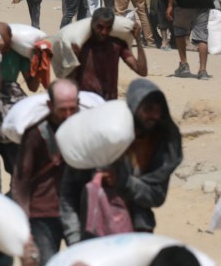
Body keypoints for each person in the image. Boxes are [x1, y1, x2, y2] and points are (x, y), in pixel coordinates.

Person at [60, 79, 182, 245]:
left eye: (157, 110)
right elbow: (69, 192)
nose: (154, 116)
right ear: (133, 108)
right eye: (147, 109)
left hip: (138, 233)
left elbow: (156, 196)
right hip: (95, 235)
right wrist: (74, 239)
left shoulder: (159, 146)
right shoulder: (105, 138)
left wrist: (123, 181)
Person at [12, 79, 80, 265]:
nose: (68, 115)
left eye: (72, 109)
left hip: (75, 210)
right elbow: (21, 181)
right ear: (50, 105)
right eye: (62, 110)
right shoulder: (36, 133)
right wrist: (24, 226)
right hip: (43, 213)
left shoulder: (84, 128)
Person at [71, 7, 147, 101]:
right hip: (85, 103)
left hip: (108, 103)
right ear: (92, 24)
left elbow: (142, 71)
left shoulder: (117, 45)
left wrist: (138, 40)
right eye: (100, 27)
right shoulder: (82, 46)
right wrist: (74, 57)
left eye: (108, 28)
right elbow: (69, 79)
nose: (104, 32)